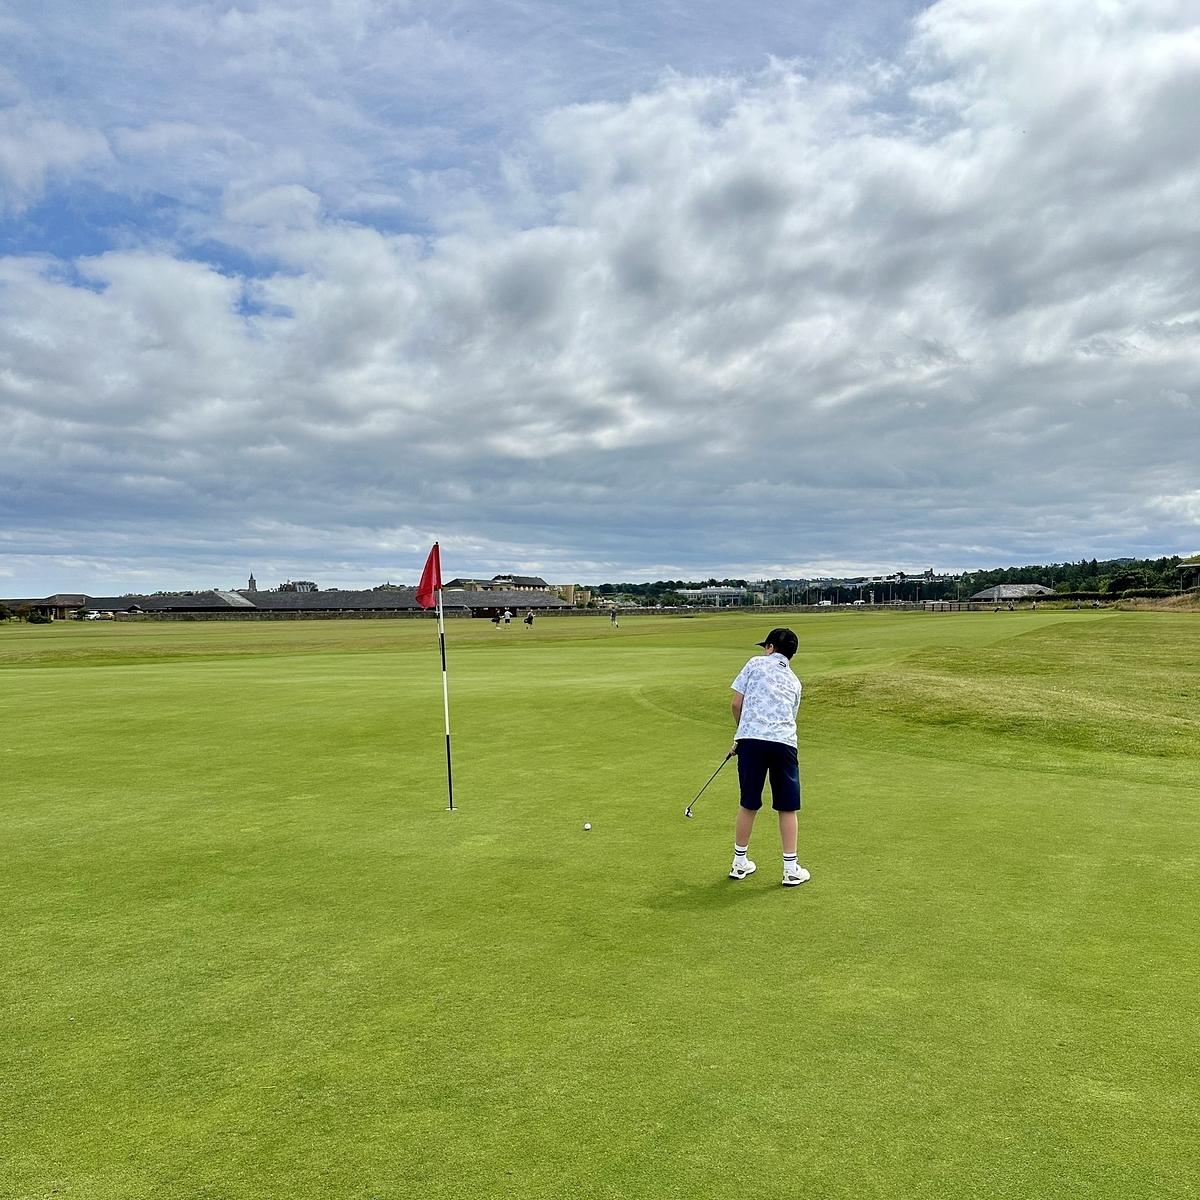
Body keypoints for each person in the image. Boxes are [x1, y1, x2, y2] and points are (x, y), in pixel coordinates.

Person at [727, 627, 809, 887]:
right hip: (784, 744)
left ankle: (740, 863)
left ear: (771, 647)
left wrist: (742, 734)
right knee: (787, 807)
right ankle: (790, 868)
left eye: (766, 646)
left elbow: (736, 704)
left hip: (751, 741)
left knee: (749, 802)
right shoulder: (795, 681)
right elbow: (789, 716)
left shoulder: (755, 663)